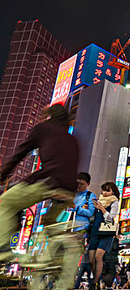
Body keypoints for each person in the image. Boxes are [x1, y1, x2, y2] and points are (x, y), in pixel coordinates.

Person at [0, 104, 79, 263]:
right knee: (49, 222)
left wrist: (3, 175)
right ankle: (59, 257)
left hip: (49, 181)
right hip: (70, 189)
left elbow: (20, 152)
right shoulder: (72, 139)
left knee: (7, 202)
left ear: (50, 116)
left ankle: (3, 249)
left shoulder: (43, 129)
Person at [85, 182, 120, 290]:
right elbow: (92, 216)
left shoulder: (114, 202)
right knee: (90, 260)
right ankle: (96, 282)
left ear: (113, 192)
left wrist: (103, 209)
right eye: (103, 190)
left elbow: (111, 217)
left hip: (106, 232)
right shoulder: (97, 201)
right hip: (95, 231)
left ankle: (94, 284)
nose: (104, 193)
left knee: (97, 256)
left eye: (108, 190)